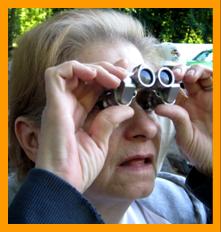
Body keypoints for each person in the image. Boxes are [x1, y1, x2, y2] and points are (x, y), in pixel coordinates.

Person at [8, 9, 212, 224]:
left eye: (149, 102)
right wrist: (56, 186)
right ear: (34, 139)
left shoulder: (184, 210)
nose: (147, 128)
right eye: (103, 104)